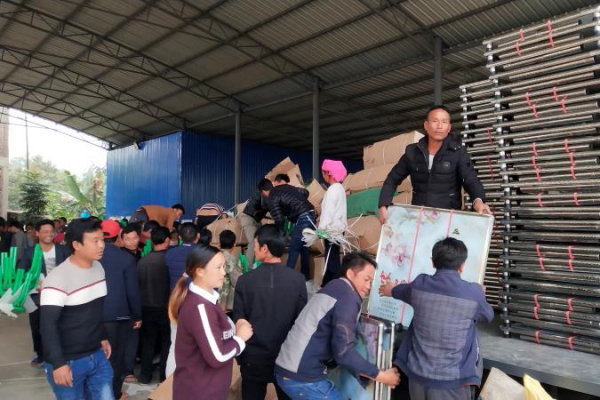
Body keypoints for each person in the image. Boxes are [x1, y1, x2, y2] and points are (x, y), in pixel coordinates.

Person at [379, 238, 494, 400]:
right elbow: (488, 316)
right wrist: (481, 295)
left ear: (433, 262)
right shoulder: (473, 293)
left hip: (417, 378)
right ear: (462, 265)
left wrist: (389, 289)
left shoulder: (419, 285)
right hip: (452, 383)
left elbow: (397, 291)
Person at [275, 252, 400, 399]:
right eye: (366, 279)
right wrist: (381, 376)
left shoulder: (334, 286)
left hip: (287, 368)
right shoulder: (348, 297)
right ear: (350, 273)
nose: (368, 286)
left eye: (371, 282)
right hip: (302, 377)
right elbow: (344, 352)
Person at [378, 105, 490, 224]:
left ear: (449, 127)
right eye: (435, 121)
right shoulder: (413, 152)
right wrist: (383, 204)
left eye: (444, 122)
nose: (439, 126)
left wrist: (478, 201)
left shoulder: (457, 152)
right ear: (426, 125)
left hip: (448, 219)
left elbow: (471, 180)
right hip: (420, 219)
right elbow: (392, 179)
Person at [40, 218, 113, 400]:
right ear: (76, 245)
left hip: (97, 354)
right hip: (69, 361)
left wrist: (102, 336)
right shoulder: (57, 279)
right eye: (95, 241)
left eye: (102, 239)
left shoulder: (99, 268)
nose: (102, 245)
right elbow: (47, 324)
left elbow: (95, 310)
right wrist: (58, 363)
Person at [169, 245, 254, 400]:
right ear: (200, 271)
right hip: (200, 393)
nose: (224, 272)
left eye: (224, 266)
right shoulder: (201, 308)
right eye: (218, 267)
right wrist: (240, 339)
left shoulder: (207, 303)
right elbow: (218, 356)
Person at [233, 225, 307, 400]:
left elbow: (239, 319)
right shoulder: (298, 280)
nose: (254, 248)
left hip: (253, 358)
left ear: (264, 248)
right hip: (287, 359)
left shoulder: (245, 281)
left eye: (255, 245)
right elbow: (302, 322)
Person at [18, 219, 71, 368]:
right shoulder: (30, 252)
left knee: (61, 325)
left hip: (60, 295)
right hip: (37, 296)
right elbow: (20, 270)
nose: (49, 234)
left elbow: (72, 269)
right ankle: (41, 355)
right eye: (45, 232)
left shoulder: (63, 250)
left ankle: (61, 355)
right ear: (37, 233)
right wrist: (33, 281)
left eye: (51, 231)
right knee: (37, 327)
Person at [100, 220, 142, 399]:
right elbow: (132, 291)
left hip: (92, 315)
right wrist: (137, 315)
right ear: (119, 236)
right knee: (115, 358)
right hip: (118, 316)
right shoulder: (126, 258)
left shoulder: (89, 256)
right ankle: (114, 393)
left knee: (96, 357)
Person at [137, 226, 172, 384]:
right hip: (165, 308)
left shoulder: (142, 261)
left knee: (148, 342)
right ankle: (164, 376)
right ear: (167, 240)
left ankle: (145, 376)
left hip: (145, 308)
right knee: (166, 342)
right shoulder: (169, 260)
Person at [262, 178, 314, 279]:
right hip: (310, 213)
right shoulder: (283, 187)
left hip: (304, 216)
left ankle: (285, 277)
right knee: (303, 246)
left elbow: (279, 219)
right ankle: (305, 276)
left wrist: (279, 233)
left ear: (264, 192)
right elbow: (305, 192)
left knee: (293, 246)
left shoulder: (272, 198)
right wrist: (296, 204)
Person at [319, 159, 348, 286]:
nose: (323, 175)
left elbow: (328, 212)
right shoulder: (340, 188)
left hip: (331, 230)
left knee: (331, 262)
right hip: (338, 229)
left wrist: (321, 229)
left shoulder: (332, 190)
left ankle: (333, 286)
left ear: (329, 173)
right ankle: (328, 284)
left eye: (323, 172)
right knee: (333, 258)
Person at [240, 178, 272, 267]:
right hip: (248, 218)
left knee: (262, 241)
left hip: (256, 220)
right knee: (253, 242)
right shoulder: (259, 194)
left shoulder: (269, 195)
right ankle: (248, 268)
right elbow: (263, 206)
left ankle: (259, 265)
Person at [166, 222, 198, 292]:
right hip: (196, 294)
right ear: (198, 235)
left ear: (180, 237)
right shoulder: (204, 252)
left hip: (175, 293)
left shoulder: (170, 252)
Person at [218, 230, 243, 313]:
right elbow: (236, 281)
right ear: (234, 244)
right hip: (225, 301)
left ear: (219, 243)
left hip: (214, 296)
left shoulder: (214, 255)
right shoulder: (232, 259)